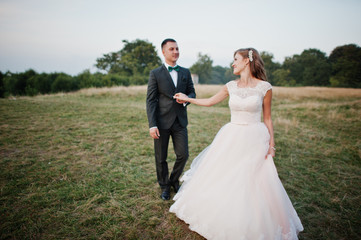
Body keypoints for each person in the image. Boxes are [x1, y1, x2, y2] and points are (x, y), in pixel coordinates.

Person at [170, 48, 303, 239]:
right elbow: (209, 102)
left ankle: (256, 221)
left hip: (256, 137)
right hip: (232, 135)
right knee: (228, 174)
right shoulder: (230, 86)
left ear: (247, 61)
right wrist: (187, 98)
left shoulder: (264, 87)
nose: (233, 63)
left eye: (235, 59)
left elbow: (268, 118)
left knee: (255, 179)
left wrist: (272, 145)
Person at [146, 38, 196, 200]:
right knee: (161, 157)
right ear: (163, 52)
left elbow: (192, 93)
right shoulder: (156, 73)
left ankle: (174, 180)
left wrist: (186, 99)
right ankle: (165, 186)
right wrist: (152, 124)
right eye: (171, 49)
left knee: (183, 154)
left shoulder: (185, 72)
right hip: (161, 122)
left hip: (180, 121)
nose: (175, 52)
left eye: (177, 49)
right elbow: (151, 100)